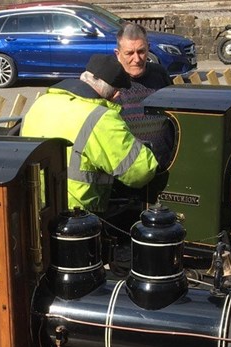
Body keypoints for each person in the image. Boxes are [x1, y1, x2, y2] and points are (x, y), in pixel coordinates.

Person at [21, 53, 158, 214]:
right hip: (79, 214)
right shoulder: (100, 118)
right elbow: (140, 171)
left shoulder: (42, 102)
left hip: (36, 205)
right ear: (115, 93)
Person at [113, 23, 175, 169]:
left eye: (141, 51)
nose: (137, 59)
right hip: (129, 169)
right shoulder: (110, 81)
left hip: (164, 163)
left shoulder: (159, 73)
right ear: (118, 54)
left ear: (148, 48)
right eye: (129, 53)